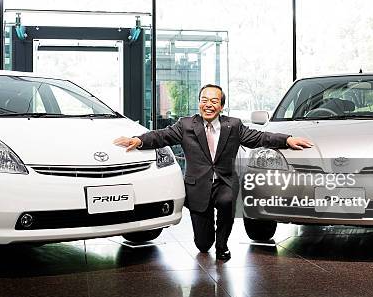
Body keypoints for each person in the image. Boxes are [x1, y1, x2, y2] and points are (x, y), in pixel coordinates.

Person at [113, 84, 313, 260]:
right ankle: (209, 241)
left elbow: (258, 137)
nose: (208, 104)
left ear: (221, 106)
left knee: (227, 203)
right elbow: (162, 136)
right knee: (202, 243)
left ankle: (222, 246)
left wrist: (286, 140)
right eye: (204, 100)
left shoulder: (233, 125)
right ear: (199, 103)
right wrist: (138, 140)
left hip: (224, 182)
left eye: (214, 101)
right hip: (197, 186)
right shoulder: (185, 125)